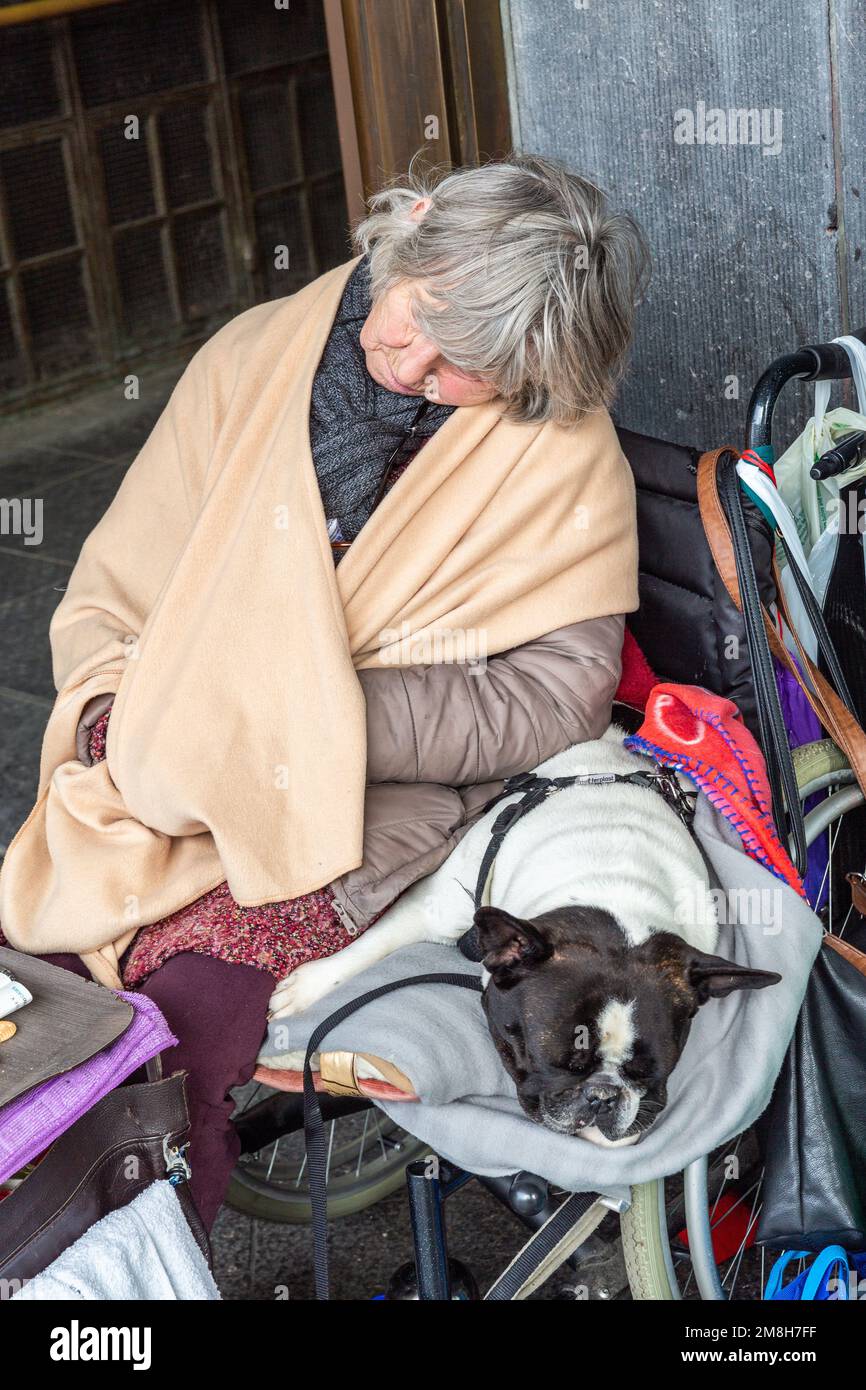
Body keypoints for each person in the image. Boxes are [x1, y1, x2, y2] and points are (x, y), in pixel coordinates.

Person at [0, 153, 649, 1229]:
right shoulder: (254, 356)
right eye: (415, 315)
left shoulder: (559, 455)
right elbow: (117, 585)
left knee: (167, 1048)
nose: (413, 359)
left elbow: (562, 694)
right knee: (34, 1005)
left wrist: (325, 719)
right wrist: (117, 711)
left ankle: (123, 1285)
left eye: (460, 368)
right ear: (413, 230)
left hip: (365, 802)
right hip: (163, 767)